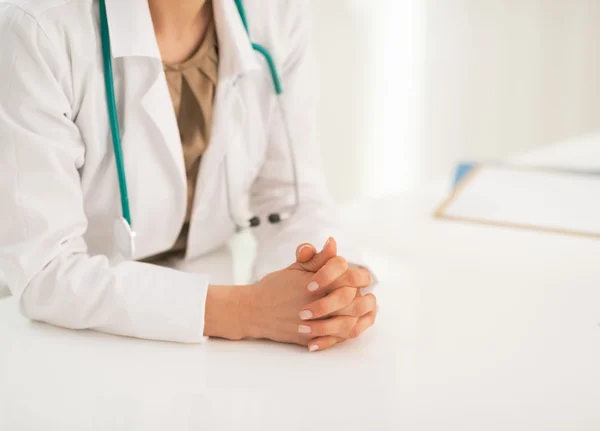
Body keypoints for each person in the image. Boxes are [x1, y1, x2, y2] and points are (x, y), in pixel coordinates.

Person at [0, 0, 377, 352]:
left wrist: (329, 284)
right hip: (70, 339)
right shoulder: (36, 28)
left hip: (209, 306)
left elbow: (289, 199)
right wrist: (248, 310)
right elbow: (45, 270)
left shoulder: (276, 12)